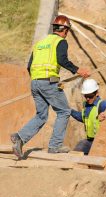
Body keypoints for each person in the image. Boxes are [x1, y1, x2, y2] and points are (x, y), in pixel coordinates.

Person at [11, 15, 90, 159]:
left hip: (35, 83)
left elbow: (29, 66)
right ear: (65, 30)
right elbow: (62, 60)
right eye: (67, 31)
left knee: (41, 115)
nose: (67, 34)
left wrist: (40, 82)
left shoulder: (40, 43)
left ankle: (19, 138)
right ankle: (55, 146)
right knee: (64, 111)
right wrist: (79, 70)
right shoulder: (60, 42)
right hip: (48, 82)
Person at [71, 79, 106, 155]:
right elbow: (83, 118)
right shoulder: (86, 105)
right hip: (90, 141)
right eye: (86, 96)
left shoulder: (102, 104)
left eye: (90, 96)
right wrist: (70, 111)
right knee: (77, 150)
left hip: (104, 142)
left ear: (97, 93)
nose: (88, 98)